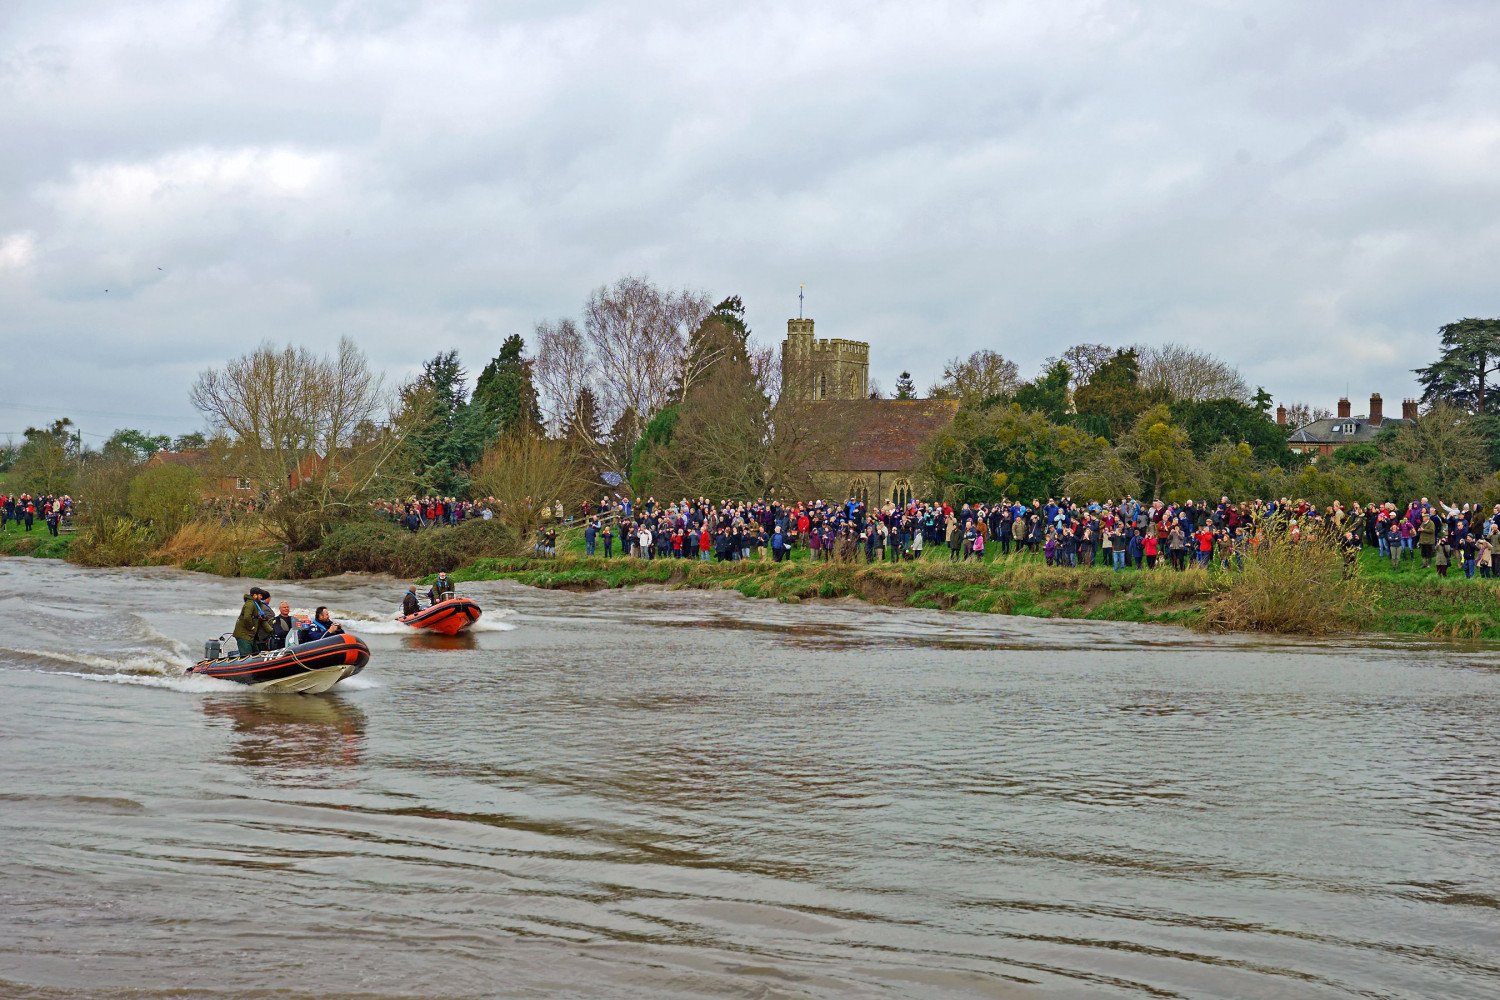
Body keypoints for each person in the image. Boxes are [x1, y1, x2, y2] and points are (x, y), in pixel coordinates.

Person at [232, 587, 273, 657]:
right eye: (260, 595)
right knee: (246, 657)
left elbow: (261, 620)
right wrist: (252, 628)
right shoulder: (250, 604)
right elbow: (247, 618)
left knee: (256, 655)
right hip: (244, 635)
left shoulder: (257, 605)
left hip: (250, 636)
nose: (261, 597)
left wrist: (271, 631)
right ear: (255, 595)